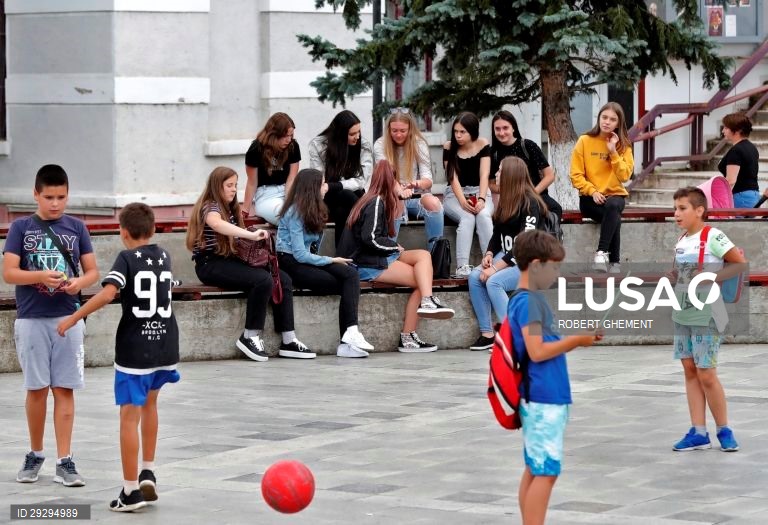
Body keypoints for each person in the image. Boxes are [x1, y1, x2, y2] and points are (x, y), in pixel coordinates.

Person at [56, 203, 179, 512]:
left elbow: (109, 293)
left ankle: (130, 491)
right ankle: (147, 469)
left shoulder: (126, 258)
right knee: (151, 404)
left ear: (123, 233)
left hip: (136, 349)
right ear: (153, 231)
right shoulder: (163, 255)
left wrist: (75, 317)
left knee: (129, 415)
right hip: (166, 343)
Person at [2, 164, 99, 487]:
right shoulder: (21, 228)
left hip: (67, 317)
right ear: (36, 195)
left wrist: (77, 283)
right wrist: (40, 277)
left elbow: (92, 272)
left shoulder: (76, 228)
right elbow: (10, 273)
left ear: (68, 195)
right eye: (48, 197)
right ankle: (35, 452)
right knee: (36, 389)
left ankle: (65, 460)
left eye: (61, 197)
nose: (55, 203)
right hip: (31, 317)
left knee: (64, 388)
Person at [507, 230, 600, 525]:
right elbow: (536, 351)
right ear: (536, 265)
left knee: (535, 468)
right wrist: (576, 341)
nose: (557, 273)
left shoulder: (522, 300)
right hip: (544, 397)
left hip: (539, 396)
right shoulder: (530, 302)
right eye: (554, 266)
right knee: (546, 472)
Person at [187, 167, 314, 361]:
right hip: (209, 264)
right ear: (216, 186)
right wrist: (250, 234)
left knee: (282, 278)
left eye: (235, 185)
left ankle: (289, 339)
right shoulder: (210, 206)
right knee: (262, 280)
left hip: (229, 259)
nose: (233, 189)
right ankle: (250, 336)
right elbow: (216, 224)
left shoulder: (230, 208)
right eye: (229, 185)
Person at [338, 160, 455, 352]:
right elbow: (371, 239)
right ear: (389, 180)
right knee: (422, 280)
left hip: (374, 257)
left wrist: (399, 198)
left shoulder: (376, 199)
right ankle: (408, 337)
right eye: (396, 181)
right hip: (364, 264)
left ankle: (427, 300)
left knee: (423, 256)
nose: (400, 184)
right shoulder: (375, 201)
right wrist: (393, 248)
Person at [670, 187, 743, 453]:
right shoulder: (681, 240)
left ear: (699, 210)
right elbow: (680, 273)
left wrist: (712, 277)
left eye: (682, 208)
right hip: (682, 312)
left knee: (707, 373)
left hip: (707, 314)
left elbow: (738, 263)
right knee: (690, 370)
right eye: (675, 208)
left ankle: (724, 429)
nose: (676, 214)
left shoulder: (713, 235)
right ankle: (698, 431)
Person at [276, 168, 374, 358]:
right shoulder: (294, 211)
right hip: (289, 262)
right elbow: (299, 254)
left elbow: (310, 252)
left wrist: (328, 262)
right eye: (322, 184)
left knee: (350, 275)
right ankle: (346, 342)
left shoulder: (315, 209)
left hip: (306, 261)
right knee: (347, 285)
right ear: (312, 188)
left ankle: (351, 333)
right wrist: (331, 260)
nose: (326, 187)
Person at [468, 157, 547, 351]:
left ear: (511, 175)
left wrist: (495, 268)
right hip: (508, 255)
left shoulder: (530, 203)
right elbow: (497, 233)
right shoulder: (506, 198)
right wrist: (489, 253)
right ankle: (487, 334)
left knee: (494, 281)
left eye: (500, 171)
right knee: (474, 276)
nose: (496, 174)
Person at [570, 101, 634, 273]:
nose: (607, 121)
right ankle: (615, 262)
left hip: (615, 197)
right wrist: (592, 191)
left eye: (612, 119)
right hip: (590, 200)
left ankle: (600, 253)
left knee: (613, 207)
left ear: (618, 123)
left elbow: (625, 176)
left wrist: (613, 151)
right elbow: (575, 175)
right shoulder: (584, 140)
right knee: (615, 217)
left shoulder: (623, 145)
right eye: (604, 117)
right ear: (599, 118)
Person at [373, 108, 444, 250]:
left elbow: (428, 179)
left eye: (403, 131)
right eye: (394, 131)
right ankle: (388, 253)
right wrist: (400, 191)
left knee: (434, 204)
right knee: (395, 203)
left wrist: (416, 184)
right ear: (388, 129)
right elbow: (388, 177)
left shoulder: (419, 143)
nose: (398, 134)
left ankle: (436, 254)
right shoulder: (380, 144)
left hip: (415, 195)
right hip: (390, 195)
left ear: (410, 129)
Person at [308, 110, 374, 248]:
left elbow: (361, 181)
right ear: (339, 134)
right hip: (328, 196)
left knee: (342, 210)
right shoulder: (319, 146)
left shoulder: (363, 146)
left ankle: (342, 255)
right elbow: (319, 178)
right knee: (348, 198)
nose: (357, 137)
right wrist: (329, 187)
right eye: (352, 134)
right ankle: (359, 250)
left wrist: (333, 186)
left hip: (352, 193)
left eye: (359, 132)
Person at [442, 112, 494, 277]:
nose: (458, 135)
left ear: (472, 131)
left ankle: (490, 262)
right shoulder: (449, 147)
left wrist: (482, 199)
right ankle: (462, 266)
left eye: (462, 132)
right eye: (456, 131)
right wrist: (462, 201)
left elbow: (484, 175)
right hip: (455, 194)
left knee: (484, 215)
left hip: (480, 191)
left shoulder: (483, 144)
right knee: (467, 217)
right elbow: (452, 178)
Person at [489, 110, 562, 218]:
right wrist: (508, 190)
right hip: (510, 200)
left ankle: (550, 235)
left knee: (555, 208)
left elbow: (549, 176)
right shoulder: (492, 153)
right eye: (497, 129)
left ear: (513, 128)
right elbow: (490, 184)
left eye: (505, 128)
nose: (501, 132)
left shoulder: (528, 145)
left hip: (537, 194)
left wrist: (532, 194)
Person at [242, 112, 301, 225]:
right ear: (273, 134)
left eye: (291, 135)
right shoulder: (256, 149)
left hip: (288, 191)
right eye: (285, 136)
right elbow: (252, 182)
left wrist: (290, 202)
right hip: (266, 195)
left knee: (302, 215)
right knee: (288, 217)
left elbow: (291, 178)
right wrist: (245, 209)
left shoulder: (293, 146)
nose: (289, 140)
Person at [718, 113, 760, 208]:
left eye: (726, 128)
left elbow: (731, 180)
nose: (723, 130)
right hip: (753, 196)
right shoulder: (752, 147)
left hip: (740, 197)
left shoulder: (736, 150)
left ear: (737, 131)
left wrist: (720, 197)